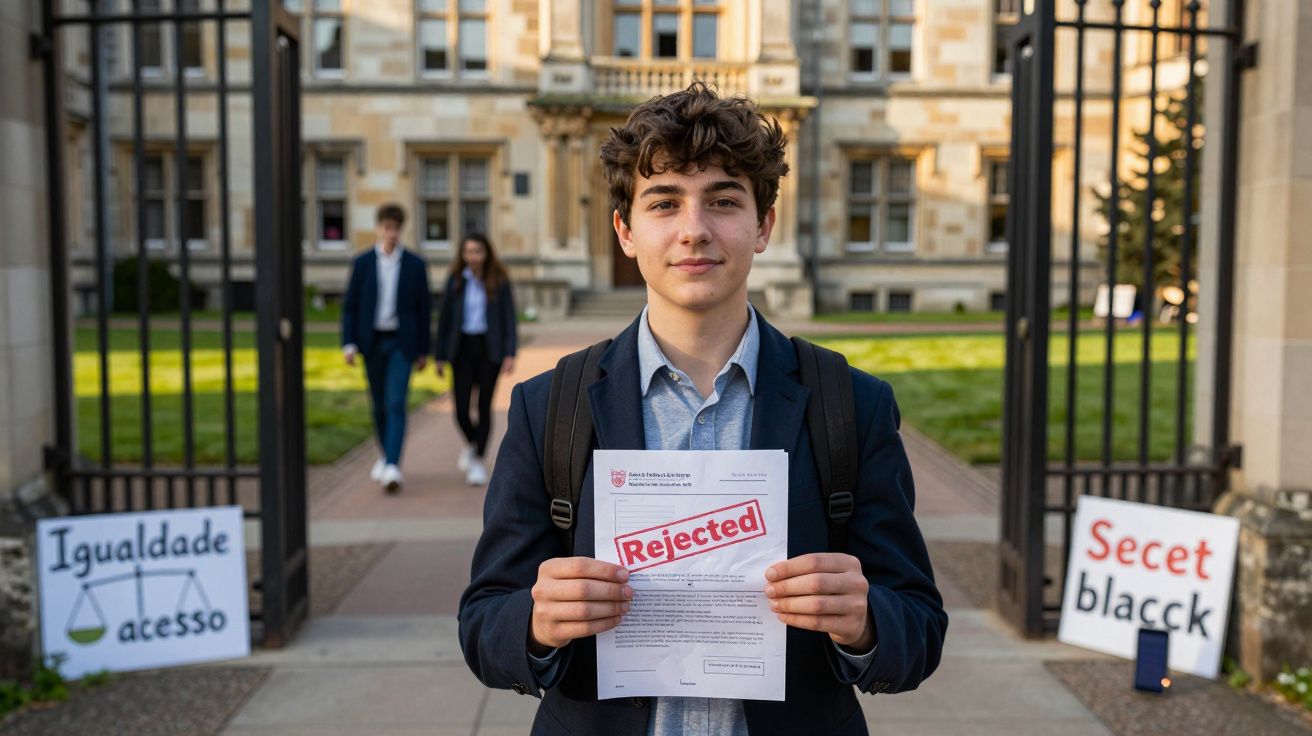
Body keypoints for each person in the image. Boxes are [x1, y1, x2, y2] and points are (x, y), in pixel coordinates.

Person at [458, 84, 947, 735]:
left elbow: (918, 626)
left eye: (723, 201)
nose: (694, 229)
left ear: (764, 225)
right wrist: (536, 623)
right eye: (664, 203)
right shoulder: (550, 407)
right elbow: (484, 623)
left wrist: (863, 622)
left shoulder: (849, 404)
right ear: (626, 231)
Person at [341, 203, 433, 493]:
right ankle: (385, 453)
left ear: (401, 229)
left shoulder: (416, 265)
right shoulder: (363, 262)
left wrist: (422, 350)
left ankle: (393, 464)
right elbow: (350, 307)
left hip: (401, 343)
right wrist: (349, 343)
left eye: (395, 228)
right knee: (379, 405)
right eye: (386, 227)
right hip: (372, 341)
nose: (390, 233)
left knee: (396, 402)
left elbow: (424, 309)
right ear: (379, 228)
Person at [434, 233, 518, 486]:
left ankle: (479, 459)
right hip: (461, 349)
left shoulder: (499, 281)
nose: (473, 257)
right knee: (460, 409)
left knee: (483, 405)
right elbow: (444, 320)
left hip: (488, 349)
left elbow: (508, 318)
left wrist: (509, 353)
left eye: (477, 251)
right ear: (462, 254)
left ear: (487, 253)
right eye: (468, 251)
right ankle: (472, 443)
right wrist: (439, 355)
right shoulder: (455, 280)